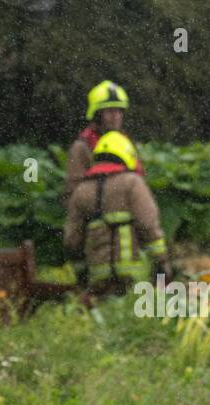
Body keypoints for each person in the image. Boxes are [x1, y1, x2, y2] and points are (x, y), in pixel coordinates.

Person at [62, 131, 169, 292]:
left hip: (98, 279)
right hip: (133, 277)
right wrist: (162, 263)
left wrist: (82, 273)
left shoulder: (81, 190)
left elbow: (72, 240)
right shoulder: (132, 183)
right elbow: (148, 224)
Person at [64, 81, 141, 207]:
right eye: (110, 111)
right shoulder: (82, 147)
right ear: (97, 115)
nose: (116, 116)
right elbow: (73, 193)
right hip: (96, 217)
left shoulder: (126, 143)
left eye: (119, 111)